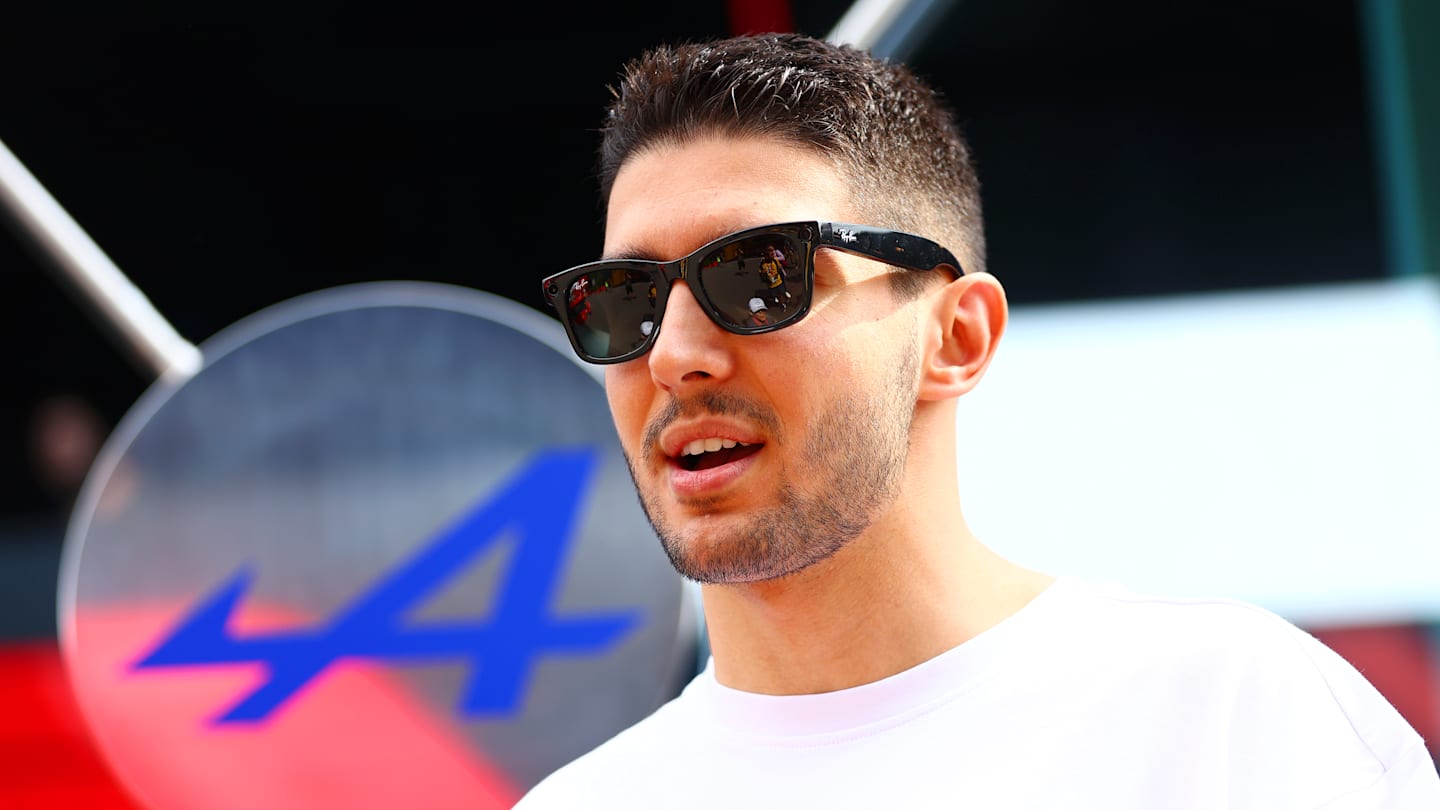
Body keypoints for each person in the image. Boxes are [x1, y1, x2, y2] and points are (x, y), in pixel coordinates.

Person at [525, 32, 1440, 808]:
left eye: (763, 275)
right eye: (624, 297)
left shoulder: (1233, 720)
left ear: (957, 336)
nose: (673, 352)